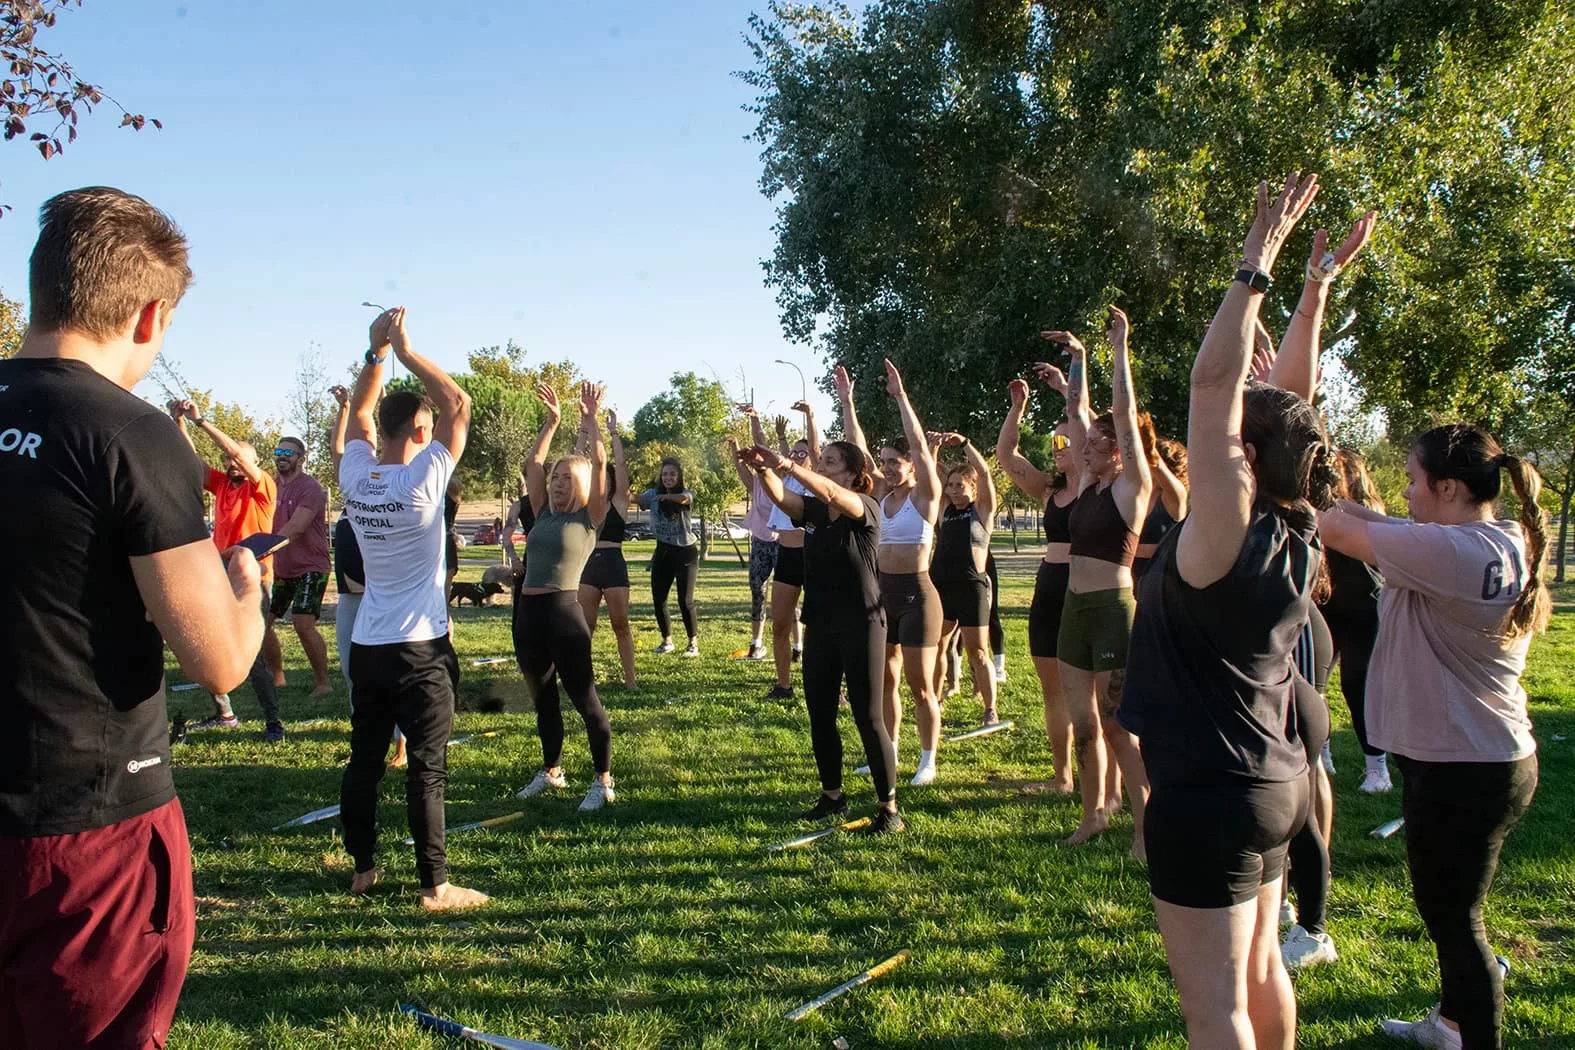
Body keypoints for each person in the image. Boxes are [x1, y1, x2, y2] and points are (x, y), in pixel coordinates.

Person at [0, 186, 264, 1048]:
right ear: (150, 315)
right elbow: (219, 661)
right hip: (86, 829)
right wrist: (247, 587)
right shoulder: (131, 432)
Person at [1118, 170, 1328, 1050]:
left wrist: (1256, 265)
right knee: (1260, 972)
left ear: (1238, 453)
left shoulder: (1219, 540)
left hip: (1206, 797)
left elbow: (1213, 390)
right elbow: (1291, 407)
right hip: (1275, 783)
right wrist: (1313, 291)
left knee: (1217, 1011)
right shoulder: (1298, 524)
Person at [1318, 424, 1548, 1050]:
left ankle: (1473, 1036)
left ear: (1447, 488)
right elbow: (1373, 518)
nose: (1406, 492)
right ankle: (1450, 1024)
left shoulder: (1453, 554)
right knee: (1453, 913)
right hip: (1483, 759)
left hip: (1462, 767)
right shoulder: (1486, 538)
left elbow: (1336, 528)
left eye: (1414, 481)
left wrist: (1296, 440)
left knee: (1455, 924)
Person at [338, 306, 487, 911]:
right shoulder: (424, 478)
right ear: (421, 433)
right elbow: (458, 403)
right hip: (421, 649)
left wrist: (374, 354)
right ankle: (435, 885)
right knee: (427, 767)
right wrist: (405, 351)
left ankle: (363, 868)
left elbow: (360, 414)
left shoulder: (354, 477)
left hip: (368, 647)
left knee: (366, 759)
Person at [740, 439, 904, 834]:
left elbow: (831, 491)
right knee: (821, 714)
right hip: (820, 623)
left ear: (853, 472)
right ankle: (833, 796)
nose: (823, 466)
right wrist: (765, 469)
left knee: (868, 716)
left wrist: (790, 466)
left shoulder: (864, 507)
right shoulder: (814, 512)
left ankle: (889, 809)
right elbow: (784, 501)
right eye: (823, 461)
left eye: (831, 462)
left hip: (861, 623)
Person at [1041, 306, 1152, 851]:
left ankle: (1144, 823)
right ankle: (1093, 816)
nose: (1080, 447)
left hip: (1114, 610)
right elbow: (1078, 409)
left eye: (1095, 441)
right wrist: (1078, 362)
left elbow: (1124, 416)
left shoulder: (1133, 487)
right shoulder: (1086, 483)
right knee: (1085, 727)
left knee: (1117, 727)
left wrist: (1118, 348)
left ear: (1118, 450)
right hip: (1073, 612)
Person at [837, 360, 945, 786]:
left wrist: (901, 398)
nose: (887, 468)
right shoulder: (879, 493)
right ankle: (890, 750)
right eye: (885, 462)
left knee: (921, 687)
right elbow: (857, 448)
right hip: (882, 596)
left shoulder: (926, 495)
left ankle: (928, 759)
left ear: (912, 465)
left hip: (919, 596)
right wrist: (848, 403)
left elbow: (920, 445)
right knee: (885, 681)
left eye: (895, 462)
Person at [515, 383, 618, 810]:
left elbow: (599, 461)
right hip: (527, 613)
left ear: (579, 485)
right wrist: (551, 423)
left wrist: (590, 421)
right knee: (544, 699)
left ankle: (603, 781)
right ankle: (552, 770)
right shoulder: (541, 514)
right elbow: (531, 463)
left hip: (563, 614)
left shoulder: (589, 517)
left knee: (584, 698)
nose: (556, 482)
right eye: (554, 477)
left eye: (564, 478)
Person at [168, 397, 285, 740]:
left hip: (255, 579)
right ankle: (225, 713)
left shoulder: (262, 486)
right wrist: (179, 422)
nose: (233, 463)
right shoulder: (221, 485)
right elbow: (191, 460)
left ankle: (273, 722)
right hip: (218, 573)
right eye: (230, 461)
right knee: (208, 644)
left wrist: (201, 421)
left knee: (257, 657)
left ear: (254, 463)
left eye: (240, 459)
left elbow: (236, 453)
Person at [999, 380, 1082, 794]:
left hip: (1086, 591)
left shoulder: (1099, 488)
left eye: (1065, 438)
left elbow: (1095, 424)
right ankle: (1062, 776)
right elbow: (1006, 456)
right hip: (1048, 589)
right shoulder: (1050, 489)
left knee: (1094, 691)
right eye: (1054, 440)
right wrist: (1018, 407)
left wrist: (1069, 389)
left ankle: (1106, 780)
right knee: (1054, 691)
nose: (1057, 446)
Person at [329, 384, 406, 769]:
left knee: (389, 672)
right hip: (348, 598)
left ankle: (402, 745)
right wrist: (344, 409)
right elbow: (339, 450)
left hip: (380, 597)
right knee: (350, 670)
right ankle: (367, 737)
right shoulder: (352, 493)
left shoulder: (391, 494)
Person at [1323, 448, 1388, 790]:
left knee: (1357, 684)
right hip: (1326, 606)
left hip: (1364, 607)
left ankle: (1377, 769)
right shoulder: (1326, 511)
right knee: (1313, 685)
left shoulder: (1366, 513)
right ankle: (1322, 754)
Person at [927, 431, 1000, 725]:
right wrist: (932, 448)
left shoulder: (982, 511)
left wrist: (966, 444)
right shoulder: (944, 511)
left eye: (960, 486)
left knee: (978, 651)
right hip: (942, 587)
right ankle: (935, 700)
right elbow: (930, 472)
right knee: (938, 646)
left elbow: (983, 471)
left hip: (972, 588)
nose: (954, 490)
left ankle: (990, 709)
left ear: (973, 489)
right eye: (951, 486)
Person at [264, 434, 334, 697]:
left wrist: (262, 548)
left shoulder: (310, 488)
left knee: (303, 625)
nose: (282, 456)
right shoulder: (271, 487)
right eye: (279, 451)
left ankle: (323, 683)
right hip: (282, 567)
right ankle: (278, 678)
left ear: (302, 459)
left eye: (289, 453)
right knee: (263, 622)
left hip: (311, 567)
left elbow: (296, 527)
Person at [578, 410, 637, 690]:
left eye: (607, 478)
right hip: (588, 565)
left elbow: (621, 465)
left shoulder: (620, 504)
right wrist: (583, 432)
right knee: (585, 628)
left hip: (613, 564)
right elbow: (577, 464)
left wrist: (613, 433)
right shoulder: (585, 505)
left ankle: (631, 682)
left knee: (621, 626)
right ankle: (583, 680)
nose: (603, 482)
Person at [729, 405, 780, 665]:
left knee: (786, 594)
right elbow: (740, 468)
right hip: (761, 541)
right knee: (757, 591)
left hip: (783, 542)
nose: (755, 459)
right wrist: (734, 445)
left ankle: (797, 645)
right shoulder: (756, 485)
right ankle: (756, 644)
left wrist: (755, 419)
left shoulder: (779, 478)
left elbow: (762, 445)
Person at [636, 457, 700, 656]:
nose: (668, 477)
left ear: (679, 476)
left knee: (685, 600)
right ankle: (667, 641)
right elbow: (634, 498)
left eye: (672, 474)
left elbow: (684, 499)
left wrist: (667, 498)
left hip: (685, 552)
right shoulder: (652, 495)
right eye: (664, 474)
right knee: (659, 598)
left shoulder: (686, 493)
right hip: (663, 551)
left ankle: (692, 644)